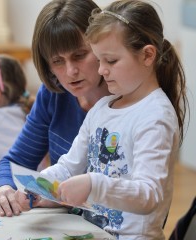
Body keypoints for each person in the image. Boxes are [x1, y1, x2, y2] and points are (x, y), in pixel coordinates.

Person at [15, 0, 189, 239]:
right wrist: (39, 186)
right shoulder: (102, 107)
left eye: (111, 61)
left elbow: (149, 195)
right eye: (100, 60)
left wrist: (93, 184)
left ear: (147, 55)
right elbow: (68, 166)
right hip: (93, 232)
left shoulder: (156, 116)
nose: (101, 70)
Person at [0, 0, 110, 217]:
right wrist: (3, 189)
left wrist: (64, 200)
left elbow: (140, 195)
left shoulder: (128, 103)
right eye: (57, 61)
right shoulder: (53, 95)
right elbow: (14, 162)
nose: (71, 71)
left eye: (79, 55)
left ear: (102, 46)